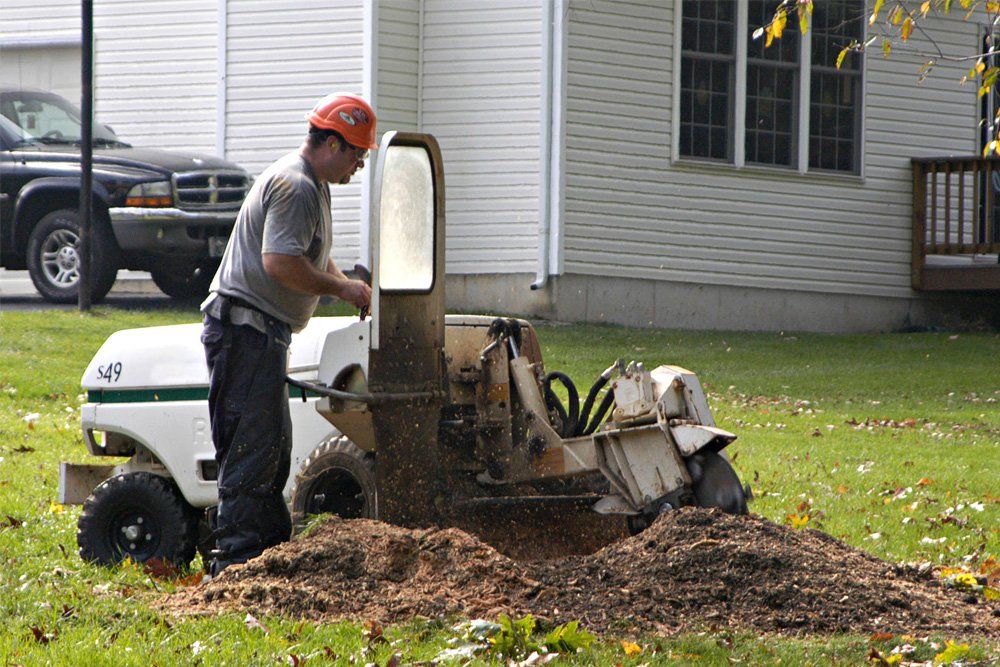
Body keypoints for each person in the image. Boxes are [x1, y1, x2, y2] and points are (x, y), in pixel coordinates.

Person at [199, 93, 375, 576]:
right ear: (333, 142)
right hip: (244, 332)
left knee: (271, 453)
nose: (359, 165)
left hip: (259, 335)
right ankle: (234, 568)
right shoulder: (296, 185)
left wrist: (347, 287)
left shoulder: (313, 184)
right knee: (251, 453)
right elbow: (280, 264)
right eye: (357, 153)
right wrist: (343, 288)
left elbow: (308, 257)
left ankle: (268, 558)